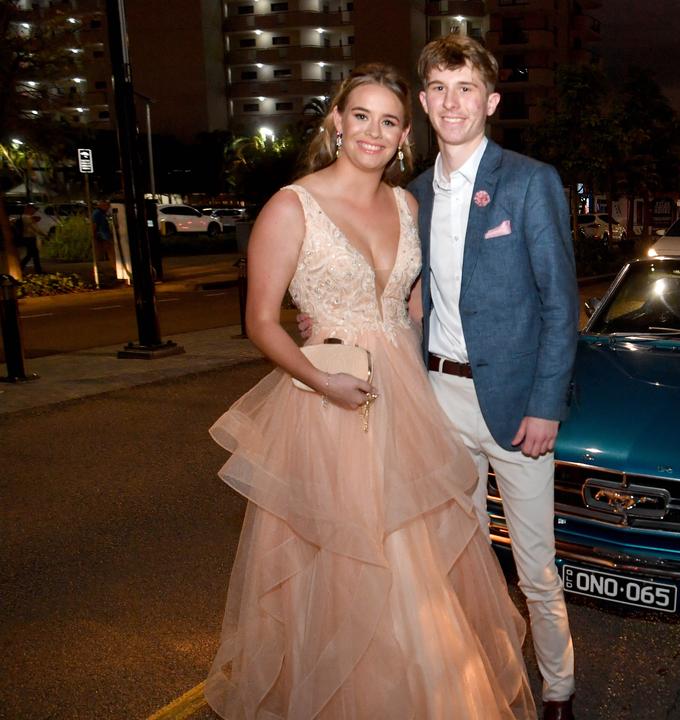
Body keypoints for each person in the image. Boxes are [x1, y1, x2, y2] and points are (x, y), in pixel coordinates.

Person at [205, 64, 537, 719]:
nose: (373, 132)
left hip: (406, 401)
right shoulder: (291, 205)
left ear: (403, 135)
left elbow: (415, 309)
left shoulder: (406, 204)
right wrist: (322, 377)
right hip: (329, 401)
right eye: (361, 116)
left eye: (388, 121)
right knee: (348, 563)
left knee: (418, 560)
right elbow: (260, 322)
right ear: (336, 121)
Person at [410, 35, 579, 720]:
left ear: (491, 100)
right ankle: (481, 679)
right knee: (462, 558)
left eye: (467, 89)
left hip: (513, 406)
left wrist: (547, 405)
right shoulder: (412, 194)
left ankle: (558, 688)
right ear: (424, 101)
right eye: (440, 90)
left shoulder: (529, 181)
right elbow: (407, 294)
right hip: (437, 400)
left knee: (535, 564)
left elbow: (561, 305)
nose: (453, 103)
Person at [18, 205, 45, 274]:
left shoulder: (23, 217)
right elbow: (35, 228)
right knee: (34, 254)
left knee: (30, 254)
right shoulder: (27, 217)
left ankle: (21, 267)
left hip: (28, 238)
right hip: (29, 238)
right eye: (33, 210)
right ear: (28, 209)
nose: (34, 211)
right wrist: (44, 235)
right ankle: (38, 270)